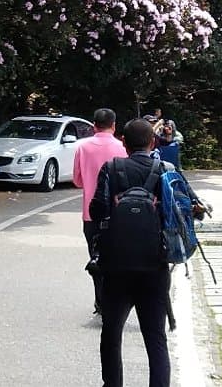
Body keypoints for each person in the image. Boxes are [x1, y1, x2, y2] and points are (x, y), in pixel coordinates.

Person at [91, 117, 176, 387]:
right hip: (155, 265)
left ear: (123, 143)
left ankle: (113, 383)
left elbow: (96, 211)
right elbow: (179, 214)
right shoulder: (165, 169)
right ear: (153, 142)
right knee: (155, 337)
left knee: (111, 333)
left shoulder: (112, 168)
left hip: (116, 266)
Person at [74, 108, 126, 314]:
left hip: (91, 213)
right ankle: (116, 300)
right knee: (118, 257)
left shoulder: (82, 147)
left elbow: (78, 181)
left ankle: (100, 301)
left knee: (95, 257)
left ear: (94, 126)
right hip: (118, 212)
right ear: (114, 126)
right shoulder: (122, 147)